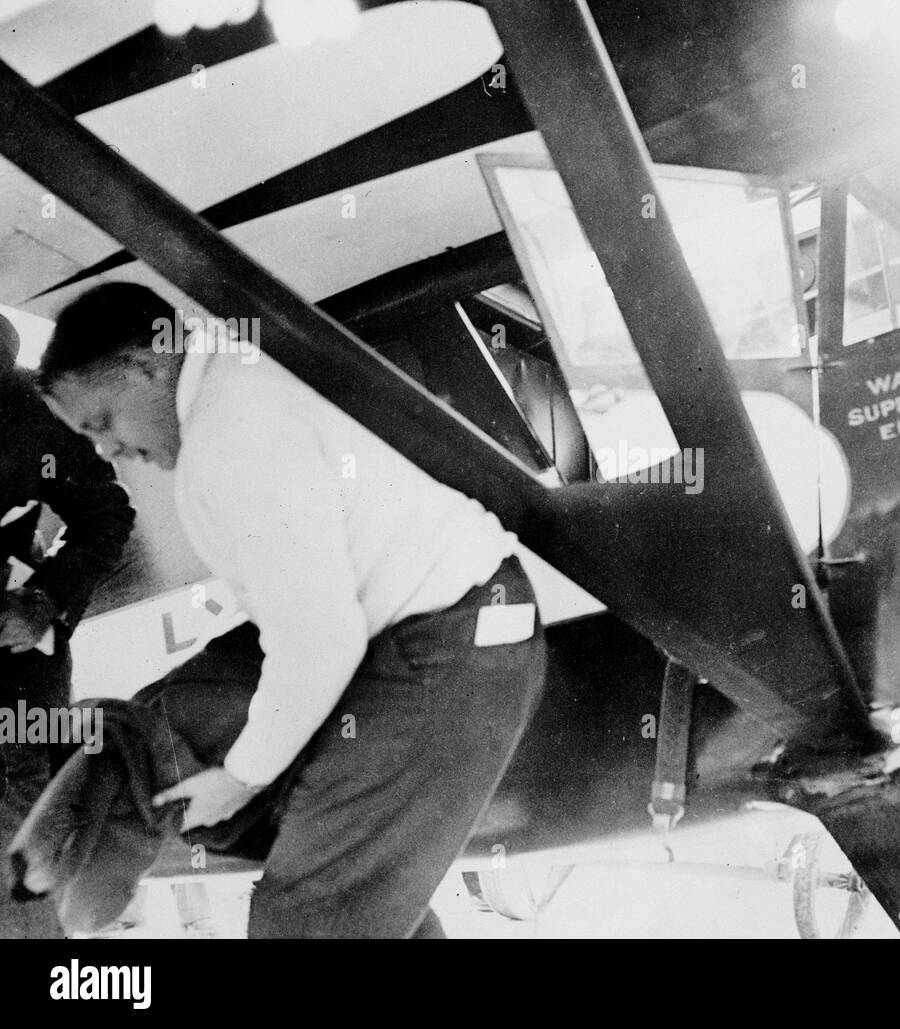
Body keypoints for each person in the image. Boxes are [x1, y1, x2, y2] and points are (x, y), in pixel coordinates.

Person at [39, 283, 547, 938]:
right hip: (427, 627)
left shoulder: (233, 431)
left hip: (448, 643)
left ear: (148, 364)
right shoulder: (231, 390)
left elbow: (318, 641)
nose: (106, 450)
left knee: (304, 922)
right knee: (329, 876)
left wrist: (241, 777)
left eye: (103, 422)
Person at [0, 312, 134, 938]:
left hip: (12, 658)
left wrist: (44, 600)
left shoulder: (31, 410)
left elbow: (105, 513)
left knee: (19, 828)